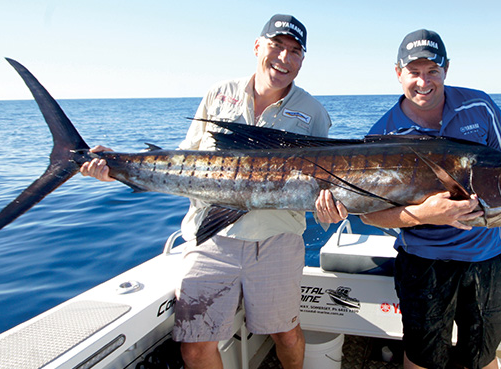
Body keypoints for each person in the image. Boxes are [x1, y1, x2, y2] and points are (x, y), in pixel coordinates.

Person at [317, 29, 501, 369]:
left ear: (446, 70)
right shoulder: (383, 136)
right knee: (421, 359)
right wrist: (424, 214)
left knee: (482, 357)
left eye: (432, 72)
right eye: (414, 72)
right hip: (423, 263)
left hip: (486, 259)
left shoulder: (478, 105)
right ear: (398, 73)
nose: (424, 82)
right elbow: (372, 217)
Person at [81, 14, 343, 369]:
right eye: (276, 46)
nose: (284, 58)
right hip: (212, 239)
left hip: (277, 241)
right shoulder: (219, 94)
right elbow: (184, 162)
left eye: (294, 51)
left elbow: (326, 180)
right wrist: (115, 169)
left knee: (286, 333)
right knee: (194, 344)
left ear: (302, 59)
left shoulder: (312, 111)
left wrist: (331, 207)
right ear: (257, 47)